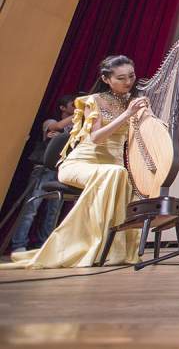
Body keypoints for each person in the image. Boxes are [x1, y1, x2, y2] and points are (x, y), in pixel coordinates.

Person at [2, 56, 147, 269]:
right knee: (116, 173)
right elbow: (96, 137)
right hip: (81, 164)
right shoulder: (93, 101)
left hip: (111, 168)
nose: (128, 82)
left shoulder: (132, 103)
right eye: (121, 78)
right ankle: (85, 245)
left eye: (131, 76)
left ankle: (109, 249)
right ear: (106, 79)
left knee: (125, 177)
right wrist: (127, 114)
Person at [8, 94, 80, 254]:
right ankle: (18, 245)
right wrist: (80, 112)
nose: (76, 108)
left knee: (53, 211)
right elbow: (57, 126)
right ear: (62, 108)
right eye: (73, 105)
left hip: (62, 171)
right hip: (43, 170)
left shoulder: (76, 127)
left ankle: (43, 245)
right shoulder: (51, 122)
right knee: (31, 208)